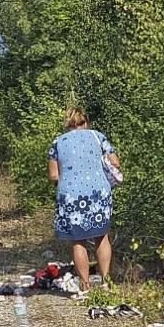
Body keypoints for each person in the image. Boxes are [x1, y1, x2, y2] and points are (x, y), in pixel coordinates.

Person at [47, 108, 120, 299]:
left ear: (67, 123)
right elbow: (115, 162)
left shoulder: (58, 142)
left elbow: (53, 175)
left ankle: (85, 286)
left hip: (70, 195)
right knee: (101, 236)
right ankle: (105, 282)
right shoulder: (98, 137)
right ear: (85, 121)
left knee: (78, 240)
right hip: (98, 192)